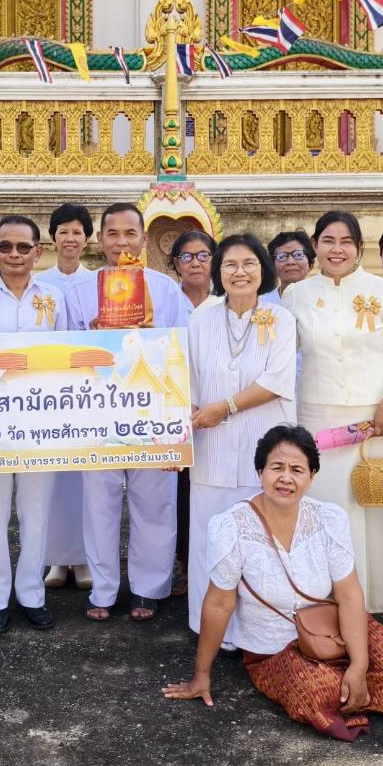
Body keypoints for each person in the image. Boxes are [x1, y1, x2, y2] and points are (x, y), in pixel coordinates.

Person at [162, 425, 383, 741]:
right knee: (321, 694)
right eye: (277, 467)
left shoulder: (329, 518)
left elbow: (350, 596)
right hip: (274, 649)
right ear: (260, 472)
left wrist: (358, 664)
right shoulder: (231, 526)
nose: (286, 478)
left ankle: (351, 681)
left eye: (297, 469)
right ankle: (348, 688)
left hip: (331, 631)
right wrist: (201, 675)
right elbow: (219, 603)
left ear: (312, 477)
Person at [281, 210, 383, 612]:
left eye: (345, 242)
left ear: (358, 248)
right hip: (319, 420)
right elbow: (281, 356)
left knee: (376, 513)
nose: (336, 249)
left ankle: (378, 605)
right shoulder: (296, 295)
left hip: (377, 420)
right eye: (327, 241)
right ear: (315, 247)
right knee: (328, 511)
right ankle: (328, 602)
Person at [65, 202, 193, 621]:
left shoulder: (166, 289)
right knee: (98, 504)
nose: (122, 242)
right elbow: (64, 351)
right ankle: (102, 591)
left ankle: (148, 588)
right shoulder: (78, 293)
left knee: (154, 502)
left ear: (143, 238)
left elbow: (183, 349)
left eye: (130, 234)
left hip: (152, 410)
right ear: (99, 240)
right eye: (113, 234)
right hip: (97, 411)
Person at [0, 215, 66, 633]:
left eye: (24, 247)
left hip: (41, 424)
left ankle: (32, 594)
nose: (15, 255)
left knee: (35, 513)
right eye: (7, 247)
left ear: (38, 251)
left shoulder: (53, 297)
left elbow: (68, 353)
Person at [185, 234, 295, 649]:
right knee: (210, 538)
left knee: (258, 542)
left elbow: (275, 381)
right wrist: (176, 439)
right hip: (210, 451)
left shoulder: (281, 319)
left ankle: (259, 633)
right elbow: (189, 384)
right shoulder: (201, 319)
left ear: (263, 270)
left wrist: (225, 407)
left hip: (260, 450)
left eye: (249, 263)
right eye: (229, 264)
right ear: (218, 272)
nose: (239, 272)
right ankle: (209, 628)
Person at [36, 203, 95, 592]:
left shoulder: (101, 282)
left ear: (87, 238)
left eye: (77, 232)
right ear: (52, 237)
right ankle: (57, 561)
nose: (70, 238)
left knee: (87, 482)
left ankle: (86, 559)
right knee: (52, 482)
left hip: (89, 393)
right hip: (48, 391)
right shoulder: (39, 284)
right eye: (63, 231)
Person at [168, 228, 218, 593]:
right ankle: (184, 564)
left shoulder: (228, 301)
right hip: (173, 406)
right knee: (180, 490)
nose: (195, 262)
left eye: (203, 255)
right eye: (187, 256)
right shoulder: (167, 302)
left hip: (219, 408)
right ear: (175, 264)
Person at [265, 229, 315, 305]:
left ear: (311, 264)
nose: (290, 262)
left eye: (298, 255)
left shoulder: (322, 301)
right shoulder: (262, 304)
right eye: (282, 256)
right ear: (273, 266)